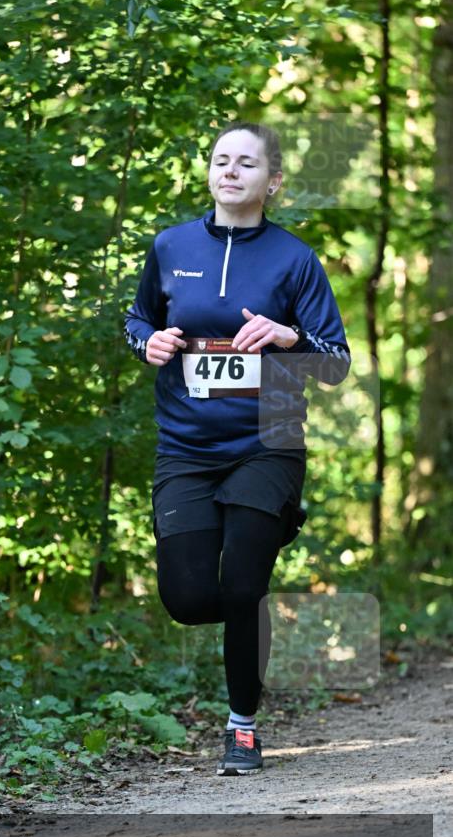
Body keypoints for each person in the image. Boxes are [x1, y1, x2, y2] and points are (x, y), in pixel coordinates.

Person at [124, 121, 351, 776]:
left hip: (269, 439)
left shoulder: (292, 259)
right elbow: (138, 318)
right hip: (186, 446)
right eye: (220, 160)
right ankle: (247, 608)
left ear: (270, 181)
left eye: (246, 163)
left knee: (244, 582)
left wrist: (287, 340)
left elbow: (332, 363)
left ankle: (241, 728)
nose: (230, 171)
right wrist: (151, 343)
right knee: (192, 598)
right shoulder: (169, 246)